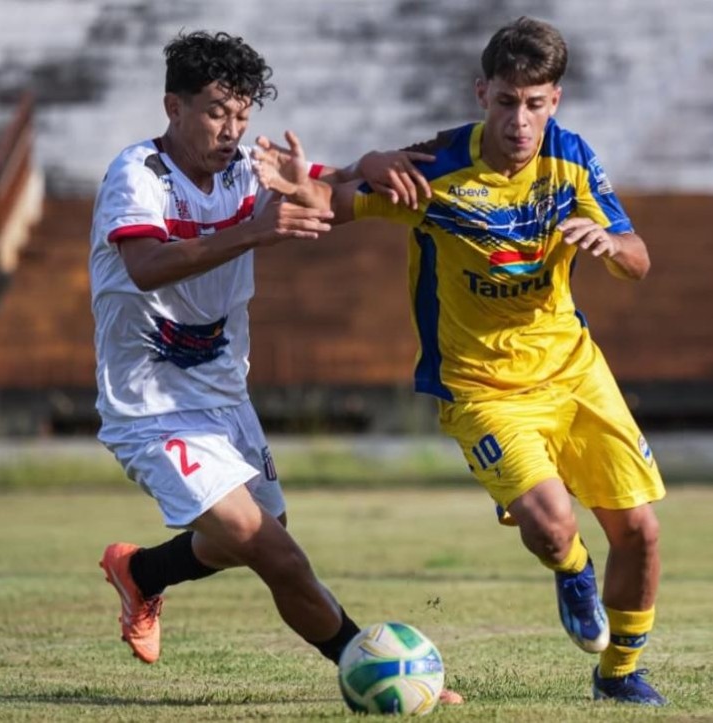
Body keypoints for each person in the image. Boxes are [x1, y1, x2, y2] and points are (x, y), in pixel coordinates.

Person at [254, 16, 667, 706]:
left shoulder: (572, 160)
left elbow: (639, 259)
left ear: (555, 101)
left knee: (641, 532)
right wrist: (311, 180)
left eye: (534, 104)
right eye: (506, 101)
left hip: (574, 371)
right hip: (482, 388)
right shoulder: (436, 167)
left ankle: (619, 675)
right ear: (482, 94)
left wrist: (610, 245)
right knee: (553, 526)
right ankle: (572, 570)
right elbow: (332, 201)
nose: (519, 120)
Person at [89, 30, 461, 706]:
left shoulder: (247, 169)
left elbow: (325, 187)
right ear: (173, 106)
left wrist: (370, 164)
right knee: (273, 551)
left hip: (225, 398)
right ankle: (375, 669)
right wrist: (256, 229)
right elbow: (146, 266)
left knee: (260, 538)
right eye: (215, 112)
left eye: (241, 114)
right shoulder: (137, 174)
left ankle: (141, 572)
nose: (231, 129)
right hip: (151, 408)